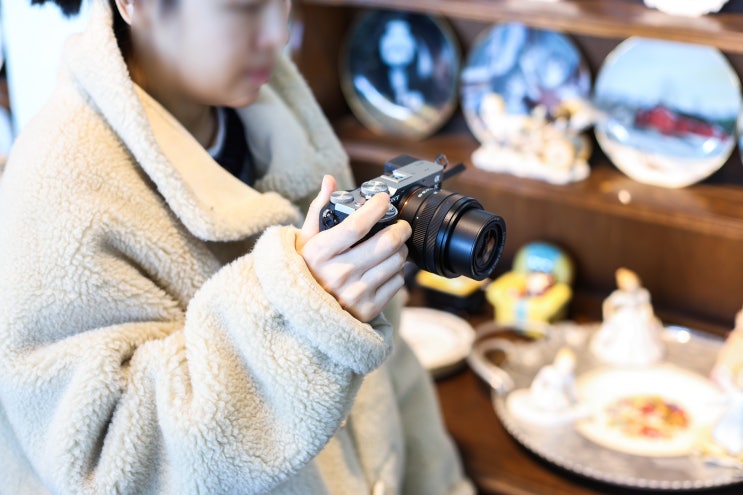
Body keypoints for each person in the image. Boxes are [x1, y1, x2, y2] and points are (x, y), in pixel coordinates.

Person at [0, 0, 474, 494]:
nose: (278, 35)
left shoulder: (278, 113)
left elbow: (387, 365)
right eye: (242, 7)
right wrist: (300, 320)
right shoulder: (57, 184)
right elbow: (108, 462)